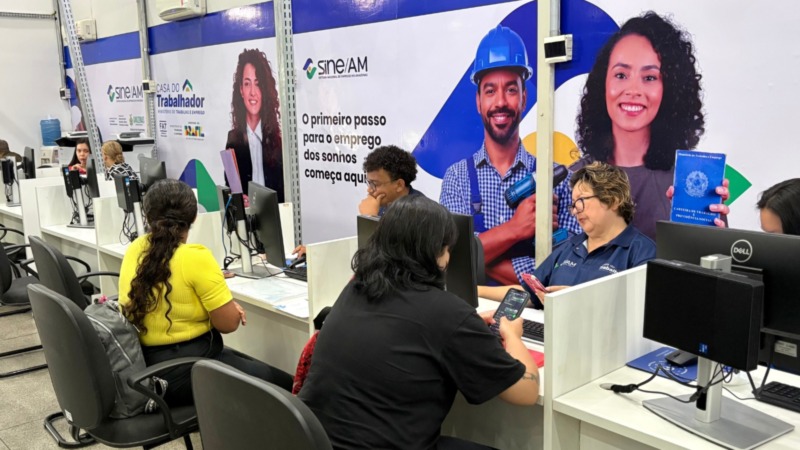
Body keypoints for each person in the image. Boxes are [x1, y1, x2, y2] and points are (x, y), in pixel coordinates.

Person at [298, 195, 539, 450]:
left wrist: (462, 327)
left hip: (315, 442)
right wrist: (512, 335)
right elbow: (526, 392)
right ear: (435, 252)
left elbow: (407, 329)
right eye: (447, 249)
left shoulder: (357, 288)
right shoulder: (446, 313)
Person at [118, 179, 292, 406]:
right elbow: (228, 324)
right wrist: (225, 306)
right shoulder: (196, 257)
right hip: (187, 369)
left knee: (249, 364)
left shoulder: (136, 248)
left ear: (147, 215)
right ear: (193, 217)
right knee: (285, 384)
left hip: (148, 367)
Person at [440, 25, 580, 285]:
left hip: (536, 311)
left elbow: (564, 275)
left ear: (524, 98)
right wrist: (516, 229)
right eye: (490, 91)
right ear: (478, 101)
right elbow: (449, 259)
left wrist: (478, 252)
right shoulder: (457, 178)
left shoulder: (561, 183)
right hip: (473, 309)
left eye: (511, 90)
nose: (501, 102)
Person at [574, 11, 729, 241]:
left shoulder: (689, 183)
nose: (633, 90)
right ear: (602, 83)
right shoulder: (573, 179)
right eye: (621, 75)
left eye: (649, 78)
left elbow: (707, 259)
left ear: (670, 89)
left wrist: (716, 238)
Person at [480, 162, 655, 308]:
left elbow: (641, 311)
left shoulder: (642, 252)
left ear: (614, 200)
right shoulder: (569, 247)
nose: (575, 210)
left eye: (582, 200)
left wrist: (575, 300)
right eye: (573, 204)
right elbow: (528, 294)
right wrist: (476, 291)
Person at [292, 145, 423, 258]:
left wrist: (370, 218)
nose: (369, 190)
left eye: (375, 184)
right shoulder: (384, 204)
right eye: (369, 183)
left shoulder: (420, 213)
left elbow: (386, 257)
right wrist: (317, 253)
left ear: (399, 185)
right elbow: (360, 248)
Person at [226, 48, 284, 202]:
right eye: (247, 83)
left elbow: (284, 194)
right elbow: (230, 189)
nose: (252, 92)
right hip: (247, 215)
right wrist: (238, 199)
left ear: (264, 90)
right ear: (241, 90)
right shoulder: (233, 140)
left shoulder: (277, 141)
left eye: (258, 84)